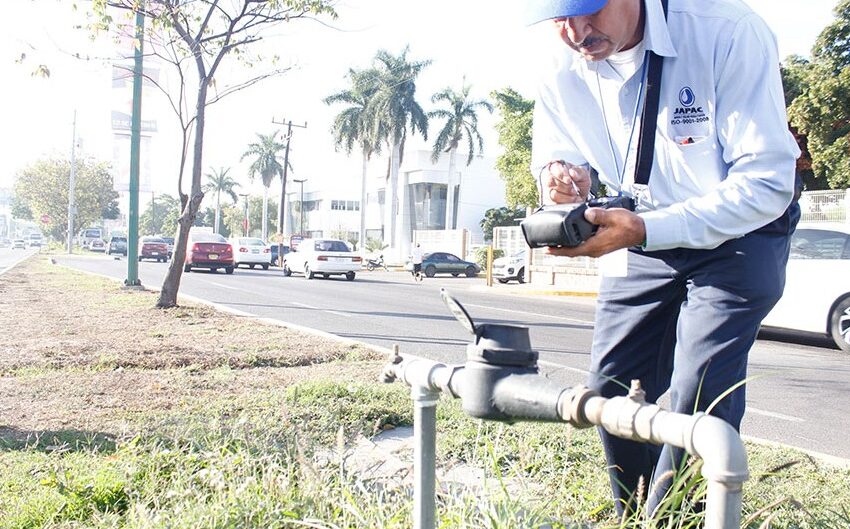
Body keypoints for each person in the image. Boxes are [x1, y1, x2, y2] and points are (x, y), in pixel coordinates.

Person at [526, 0, 800, 516]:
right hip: (641, 231)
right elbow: (556, 149)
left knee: (698, 389)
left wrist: (649, 228)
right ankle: (636, 517)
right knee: (610, 386)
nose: (576, 32)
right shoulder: (555, 56)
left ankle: (678, 521)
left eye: (590, 10)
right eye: (559, 18)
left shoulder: (727, 31)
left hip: (740, 230)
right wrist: (562, 178)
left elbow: (767, 182)